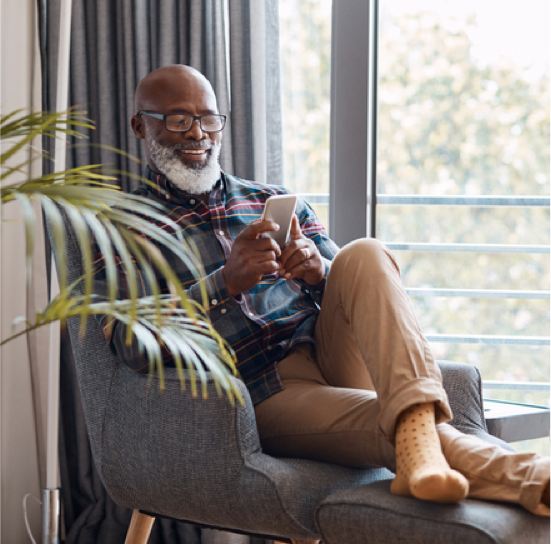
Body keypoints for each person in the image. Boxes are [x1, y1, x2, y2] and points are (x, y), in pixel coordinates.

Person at [94, 64, 551, 516]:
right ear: (141, 125)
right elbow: (131, 345)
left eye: (209, 118)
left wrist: (318, 272)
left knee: (365, 252)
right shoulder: (120, 227)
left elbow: (360, 285)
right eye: (179, 119)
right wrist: (223, 283)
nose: (198, 133)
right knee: (390, 425)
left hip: (335, 356)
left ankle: (425, 453)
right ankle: (530, 477)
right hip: (264, 391)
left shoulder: (270, 198)